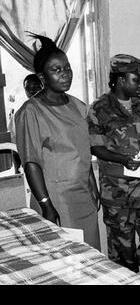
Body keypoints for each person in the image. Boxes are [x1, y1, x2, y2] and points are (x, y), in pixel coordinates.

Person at [14, 33, 100, 250]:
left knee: (92, 256)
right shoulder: (31, 111)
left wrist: (93, 184)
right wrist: (46, 205)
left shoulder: (78, 106)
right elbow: (31, 162)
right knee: (67, 257)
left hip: (83, 193)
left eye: (68, 67)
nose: (66, 74)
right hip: (56, 197)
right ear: (42, 77)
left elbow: (83, 150)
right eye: (57, 70)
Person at [87, 54, 140, 283]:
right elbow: (96, 148)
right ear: (120, 79)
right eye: (136, 80)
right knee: (123, 249)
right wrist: (122, 159)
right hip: (118, 190)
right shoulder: (99, 109)